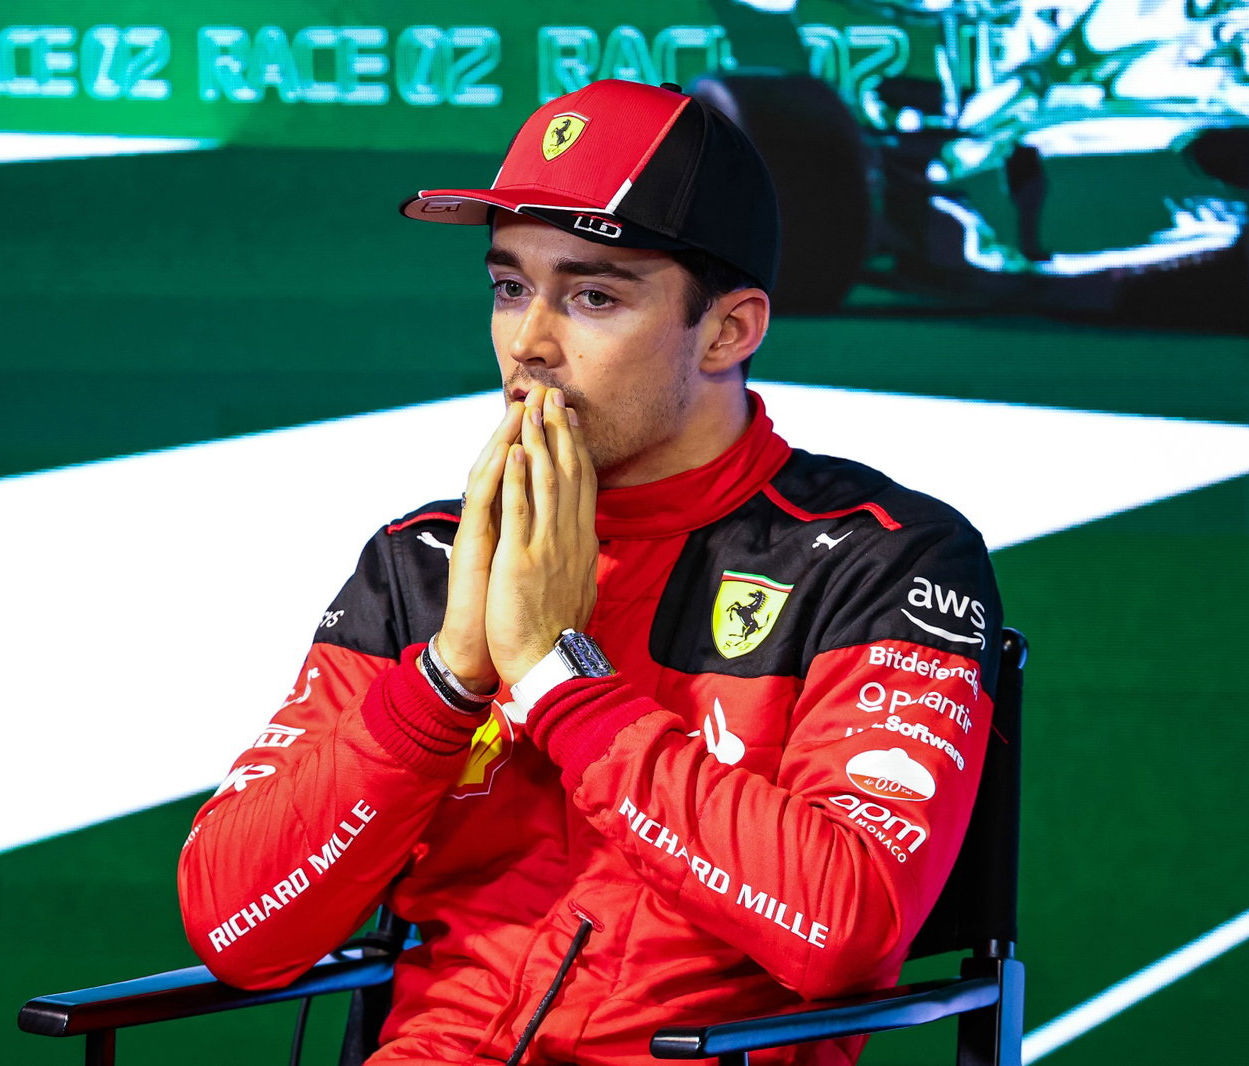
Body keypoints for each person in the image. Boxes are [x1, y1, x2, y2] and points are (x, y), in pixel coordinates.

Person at [178, 79, 1002, 1066]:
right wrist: (446, 680)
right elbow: (235, 930)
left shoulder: (883, 558)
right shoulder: (423, 562)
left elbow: (846, 930)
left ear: (730, 329)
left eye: (593, 296)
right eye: (509, 287)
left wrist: (559, 684)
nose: (528, 343)